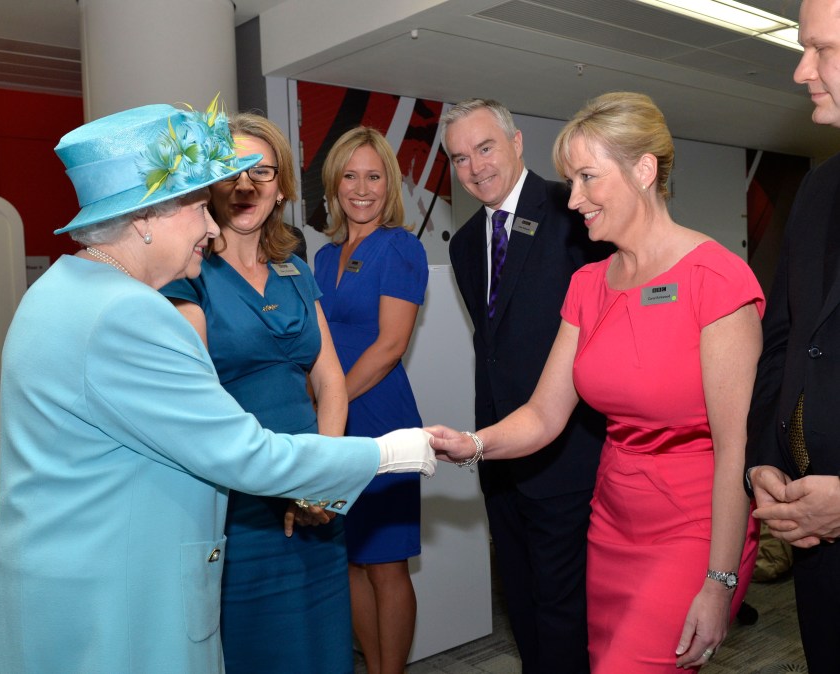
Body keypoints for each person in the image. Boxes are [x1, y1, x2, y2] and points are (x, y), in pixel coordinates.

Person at [0, 99, 435, 674]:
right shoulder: (132, 315)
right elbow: (238, 450)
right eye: (198, 205)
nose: (210, 223)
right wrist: (394, 451)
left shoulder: (58, 288)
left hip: (72, 584)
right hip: (117, 598)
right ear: (147, 217)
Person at [431, 92, 762, 672]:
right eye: (570, 179)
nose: (574, 198)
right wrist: (475, 444)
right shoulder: (588, 283)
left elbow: (738, 450)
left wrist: (720, 578)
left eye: (587, 177)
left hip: (692, 528)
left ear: (643, 169)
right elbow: (544, 413)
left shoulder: (717, 279)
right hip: (611, 523)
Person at [161, 112, 353, 673]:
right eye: (232, 171)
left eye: (262, 172)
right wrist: (278, 482)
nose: (246, 185)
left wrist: (323, 473)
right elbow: (192, 399)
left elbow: (330, 378)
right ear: (210, 185)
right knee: (255, 647)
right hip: (237, 497)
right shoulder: (187, 274)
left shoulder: (295, 269)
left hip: (315, 492)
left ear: (282, 188)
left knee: (323, 644)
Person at [438, 98, 606, 673]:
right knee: (523, 602)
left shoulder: (574, 211)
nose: (475, 167)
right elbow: (495, 350)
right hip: (500, 458)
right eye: (460, 158)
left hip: (567, 454)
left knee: (565, 610)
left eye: (485, 148)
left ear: (516, 143)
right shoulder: (463, 245)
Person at [746, 1, 840, 670]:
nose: (801, 69)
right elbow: (781, 341)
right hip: (816, 543)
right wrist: (762, 458)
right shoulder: (816, 189)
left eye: (822, 49)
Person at [313, 126, 428, 674]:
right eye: (350, 176)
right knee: (350, 560)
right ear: (334, 186)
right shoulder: (322, 258)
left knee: (387, 565)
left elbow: (389, 346)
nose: (361, 188)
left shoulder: (402, 247)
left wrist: (328, 405)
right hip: (335, 421)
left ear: (390, 184)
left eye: (373, 176)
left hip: (381, 416)